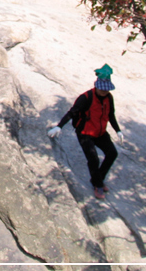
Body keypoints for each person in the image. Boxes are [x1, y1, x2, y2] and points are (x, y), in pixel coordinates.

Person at [48, 64, 123, 200]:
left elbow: (111, 115)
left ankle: (97, 179)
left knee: (112, 153)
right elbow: (72, 112)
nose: (105, 92)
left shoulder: (108, 98)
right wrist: (59, 126)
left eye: (107, 90)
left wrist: (118, 130)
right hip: (85, 132)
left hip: (100, 132)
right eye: (103, 89)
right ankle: (98, 184)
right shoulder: (86, 97)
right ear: (97, 86)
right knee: (93, 158)